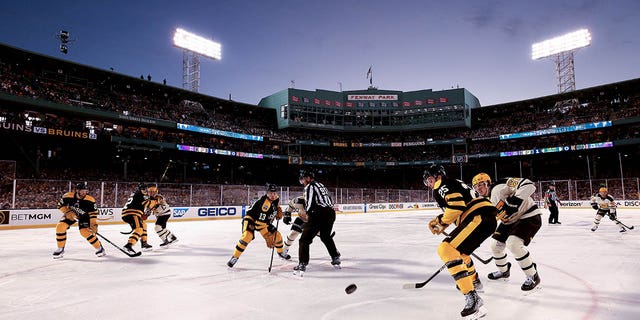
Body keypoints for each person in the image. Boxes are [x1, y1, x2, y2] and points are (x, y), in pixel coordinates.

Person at [424, 165, 497, 319]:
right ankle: (474, 281)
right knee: (461, 254)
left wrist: (439, 222)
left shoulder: (441, 185)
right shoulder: (453, 183)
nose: (430, 184)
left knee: (446, 249)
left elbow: (457, 207)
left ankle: (473, 298)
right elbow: (458, 208)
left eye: (430, 180)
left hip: (478, 216)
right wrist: (442, 223)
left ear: (438, 176)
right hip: (484, 217)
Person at [472, 173, 542, 292]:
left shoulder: (500, 186)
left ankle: (532, 275)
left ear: (488, 183)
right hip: (509, 222)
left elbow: (529, 185)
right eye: (476, 186)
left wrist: (514, 201)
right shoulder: (481, 200)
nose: (479, 188)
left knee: (513, 244)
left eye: (482, 184)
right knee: (495, 245)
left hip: (528, 216)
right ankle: (504, 272)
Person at [227, 184, 290, 268]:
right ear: (267, 193)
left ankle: (280, 252)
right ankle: (235, 257)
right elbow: (259, 224)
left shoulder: (276, 197)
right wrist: (266, 236)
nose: (273, 195)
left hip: (264, 221)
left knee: (277, 235)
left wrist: (278, 209)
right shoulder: (264, 205)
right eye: (271, 193)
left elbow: (276, 204)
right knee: (247, 236)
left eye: (274, 193)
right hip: (251, 220)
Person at [293, 169, 341, 276]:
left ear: (308, 178)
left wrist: (308, 214)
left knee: (304, 239)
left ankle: (302, 263)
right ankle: (335, 257)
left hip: (318, 213)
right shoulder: (321, 185)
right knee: (325, 236)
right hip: (330, 213)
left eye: (303, 180)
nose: (302, 183)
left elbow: (309, 203)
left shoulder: (310, 186)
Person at [53, 182, 105, 258]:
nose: (84, 192)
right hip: (71, 214)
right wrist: (67, 211)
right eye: (82, 191)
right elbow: (59, 205)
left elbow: (93, 213)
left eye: (85, 191)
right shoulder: (68, 196)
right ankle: (60, 248)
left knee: (84, 232)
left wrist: (93, 224)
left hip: (84, 217)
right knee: (60, 226)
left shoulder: (90, 200)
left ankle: (100, 248)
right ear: (77, 190)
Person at [122, 183, 153, 254]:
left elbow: (140, 204)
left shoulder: (136, 194)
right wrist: (154, 201)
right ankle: (129, 245)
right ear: (141, 189)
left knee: (144, 225)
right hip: (132, 214)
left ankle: (144, 243)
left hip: (130, 213)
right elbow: (148, 204)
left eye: (146, 189)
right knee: (139, 229)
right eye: (144, 189)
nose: (145, 190)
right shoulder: (141, 194)